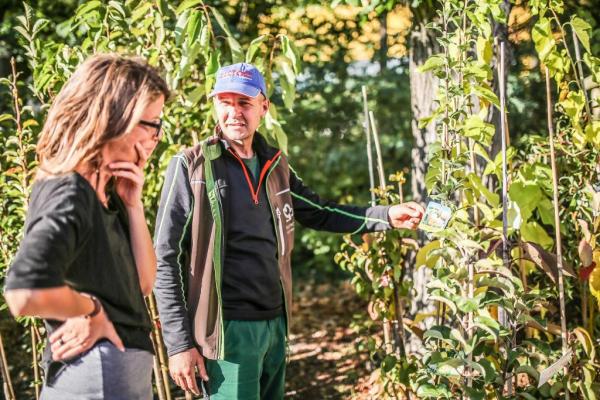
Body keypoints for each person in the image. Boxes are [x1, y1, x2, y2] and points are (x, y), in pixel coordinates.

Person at [153, 62, 424, 399]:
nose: (234, 112)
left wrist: (385, 215)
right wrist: (178, 344)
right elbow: (163, 258)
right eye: (225, 102)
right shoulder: (191, 166)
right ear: (214, 106)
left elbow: (321, 212)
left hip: (275, 326)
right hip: (224, 333)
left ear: (263, 107)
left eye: (244, 103)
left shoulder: (274, 164)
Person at [4, 53, 170, 399]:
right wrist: (90, 309)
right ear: (113, 117)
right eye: (150, 122)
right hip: (97, 375)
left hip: (120, 372)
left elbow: (142, 282)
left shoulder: (106, 191)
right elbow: (24, 291)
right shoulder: (69, 191)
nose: (157, 136)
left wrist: (133, 205)